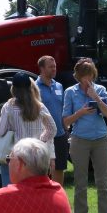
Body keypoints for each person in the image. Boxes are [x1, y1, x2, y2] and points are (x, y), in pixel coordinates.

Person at [63, 58, 107, 213]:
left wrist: (97, 99)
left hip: (101, 140)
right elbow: (66, 121)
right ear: (78, 76)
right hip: (79, 140)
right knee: (80, 183)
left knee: (103, 183)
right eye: (84, 76)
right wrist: (81, 112)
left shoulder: (100, 90)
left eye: (90, 76)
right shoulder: (70, 92)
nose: (87, 80)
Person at [0, 71, 55, 187]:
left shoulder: (9, 106)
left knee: (13, 190)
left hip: (17, 155)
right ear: (30, 87)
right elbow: (52, 129)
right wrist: (40, 141)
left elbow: (0, 132)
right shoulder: (40, 106)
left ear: (13, 89)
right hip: (36, 156)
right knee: (34, 189)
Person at [35, 56, 68, 185]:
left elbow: (63, 109)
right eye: (50, 67)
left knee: (59, 168)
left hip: (60, 134)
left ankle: (58, 194)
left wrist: (66, 129)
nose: (54, 69)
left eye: (55, 66)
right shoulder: (34, 87)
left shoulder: (59, 86)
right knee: (42, 170)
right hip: (43, 136)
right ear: (42, 68)